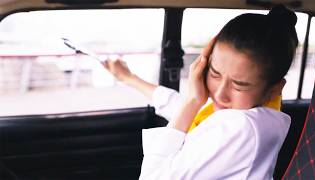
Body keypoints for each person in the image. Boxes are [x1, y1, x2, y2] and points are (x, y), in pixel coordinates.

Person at [103, 4, 298, 180]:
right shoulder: (248, 112)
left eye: (239, 85)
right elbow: (179, 106)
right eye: (214, 73)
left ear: (274, 89)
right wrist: (127, 77)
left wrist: (192, 101)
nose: (220, 94)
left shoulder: (240, 128)